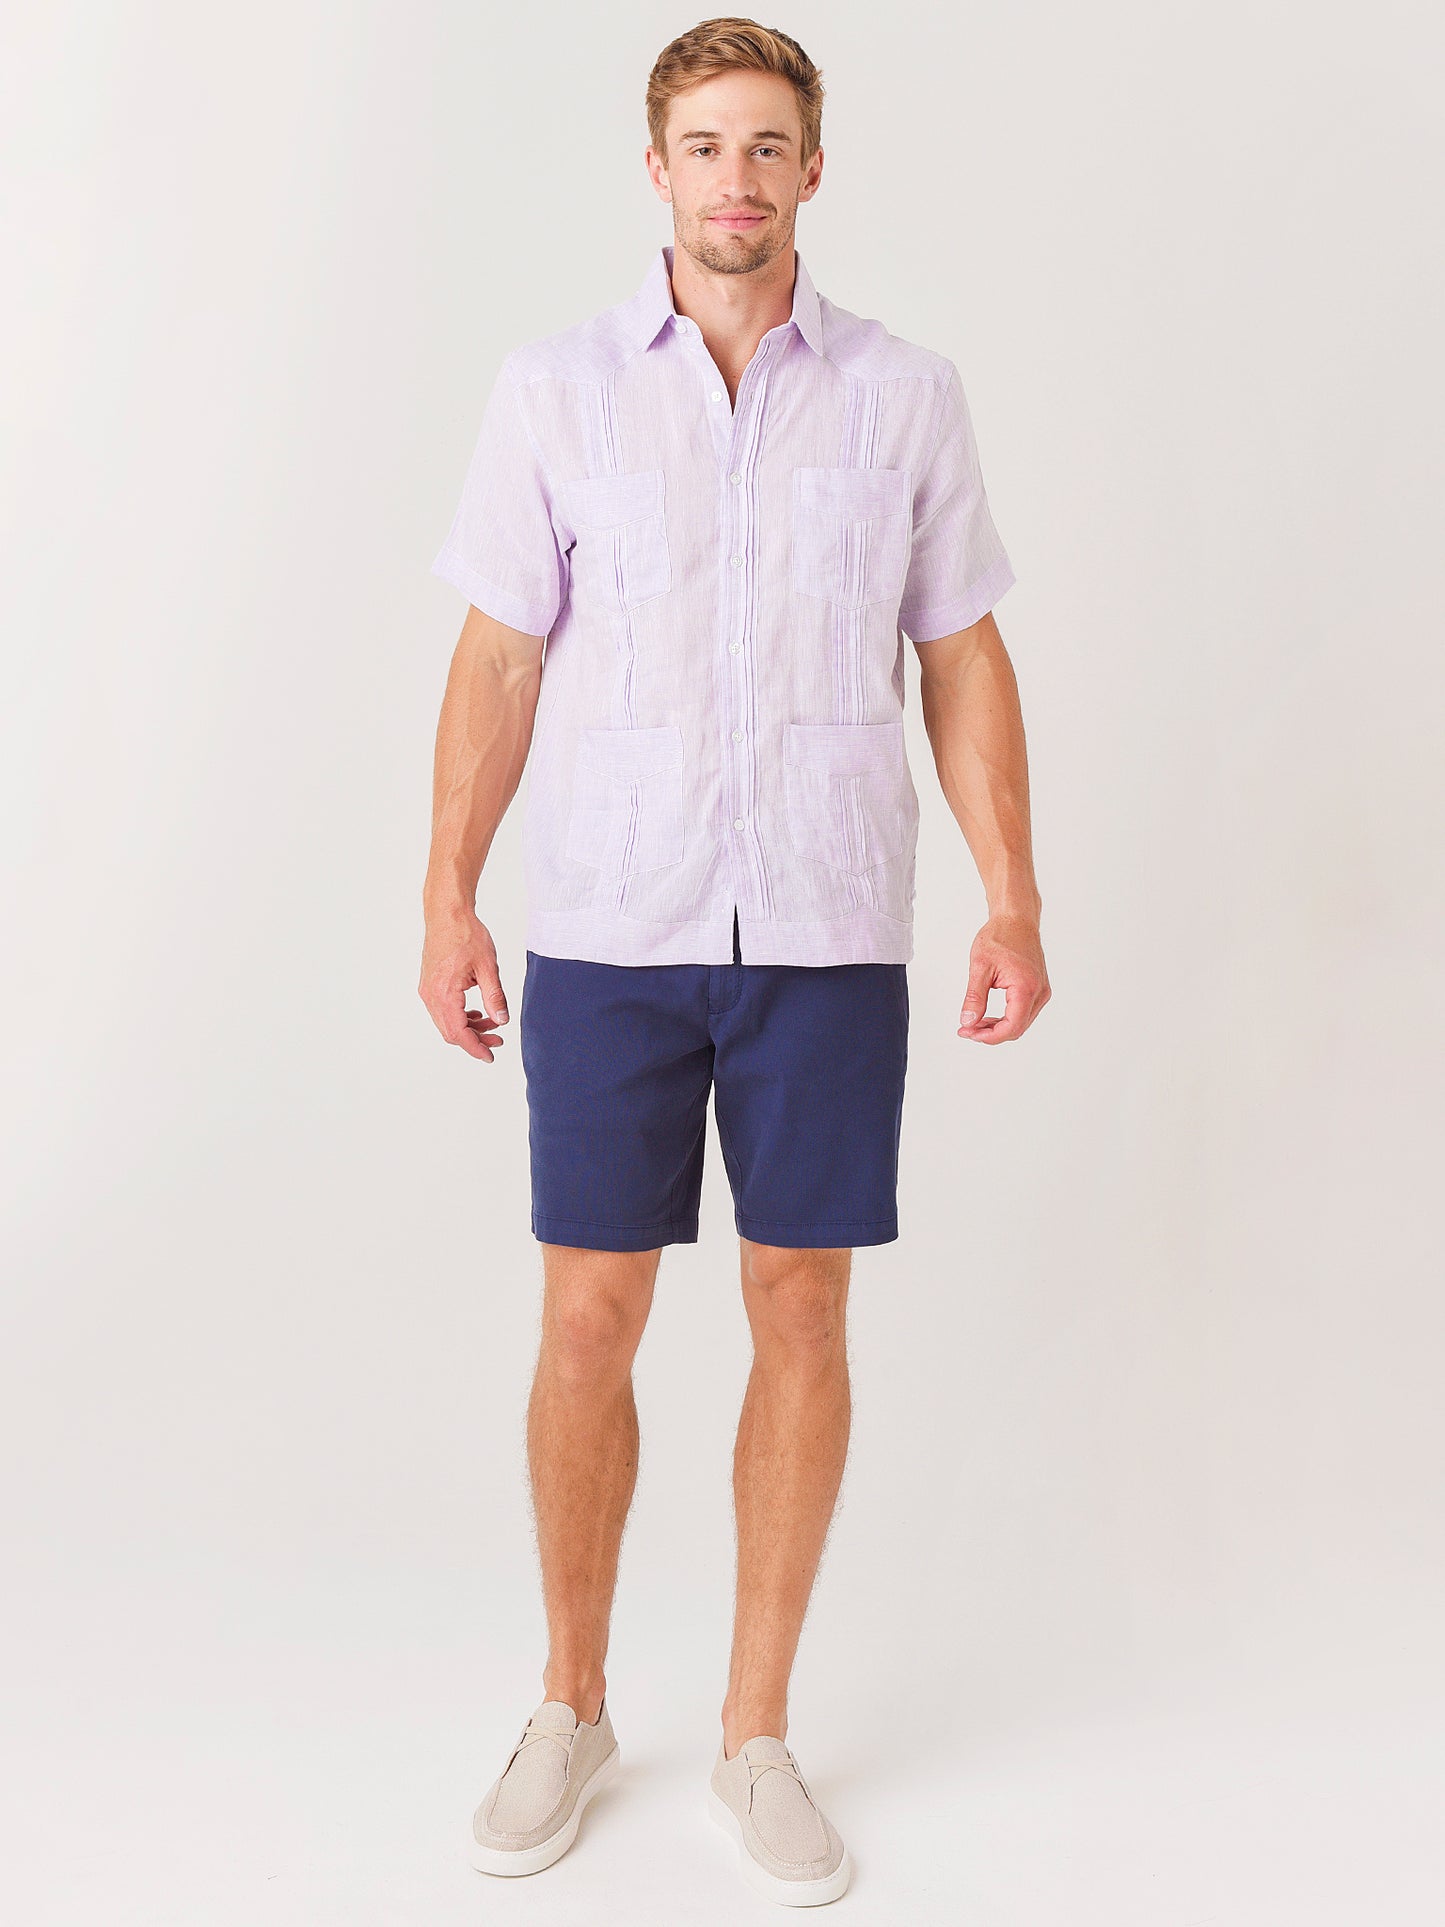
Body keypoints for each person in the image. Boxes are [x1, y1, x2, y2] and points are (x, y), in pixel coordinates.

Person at [419, 16, 1049, 1907]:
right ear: (656, 171)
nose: (736, 179)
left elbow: (961, 652)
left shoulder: (904, 397)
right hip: (610, 927)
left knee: (801, 1311)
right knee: (585, 1320)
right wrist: (447, 895)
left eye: (767, 146)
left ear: (811, 172)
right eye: (704, 146)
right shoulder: (554, 393)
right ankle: (570, 1703)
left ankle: (755, 1731)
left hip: (826, 930)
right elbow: (497, 657)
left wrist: (1011, 895)